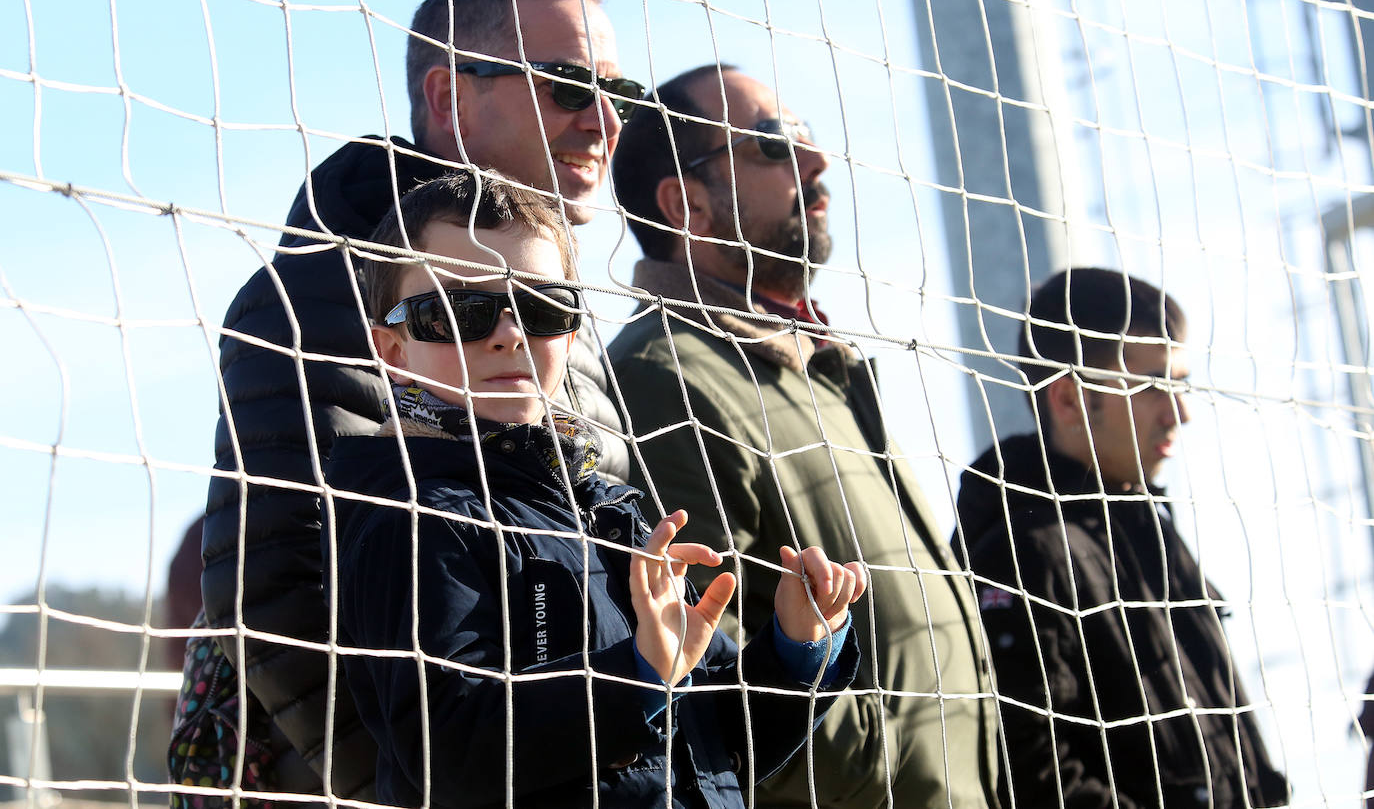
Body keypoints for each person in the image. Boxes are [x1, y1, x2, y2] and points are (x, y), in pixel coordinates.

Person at [194, 0, 641, 800]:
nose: (606, 120)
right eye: (570, 86)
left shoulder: (563, 316)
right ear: (449, 98)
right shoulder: (318, 295)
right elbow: (272, 595)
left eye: (620, 91)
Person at [326, 170, 864, 809]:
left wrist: (797, 648)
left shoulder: (610, 513)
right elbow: (452, 752)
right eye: (458, 312)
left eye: (540, 306)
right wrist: (637, 677)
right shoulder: (409, 517)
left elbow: (721, 752)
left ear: (572, 331)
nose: (508, 333)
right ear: (393, 349)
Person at [606, 64, 1000, 808]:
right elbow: (698, 665)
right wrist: (886, 768)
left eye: (808, 139)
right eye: (773, 145)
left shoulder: (820, 368)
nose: (816, 163)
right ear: (686, 203)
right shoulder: (668, 378)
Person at [953, 267, 1289, 809]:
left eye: (1180, 384)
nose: (1179, 412)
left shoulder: (1150, 532)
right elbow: (1034, 777)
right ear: (1070, 400)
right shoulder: (1022, 553)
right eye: (1154, 384)